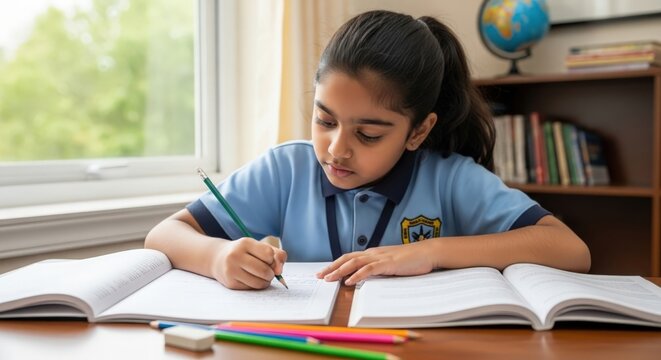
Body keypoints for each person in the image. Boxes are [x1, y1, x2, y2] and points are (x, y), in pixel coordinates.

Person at [145, 10, 591, 290]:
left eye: (369, 135)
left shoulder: (450, 177)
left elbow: (569, 249)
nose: (336, 150)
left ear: (418, 132)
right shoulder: (287, 168)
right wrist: (219, 257)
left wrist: (431, 252)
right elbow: (164, 235)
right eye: (325, 120)